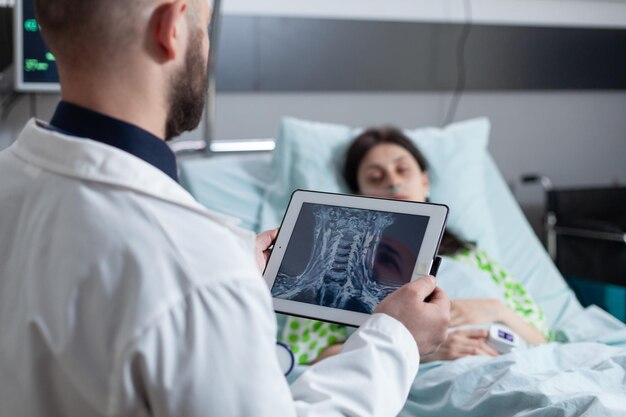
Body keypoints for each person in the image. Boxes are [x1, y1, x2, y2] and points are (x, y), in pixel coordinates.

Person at [0, 1, 451, 416]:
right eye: (206, 28)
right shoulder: (197, 266)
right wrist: (398, 340)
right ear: (172, 27)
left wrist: (232, 264)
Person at [282, 127, 550, 365]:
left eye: (403, 170)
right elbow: (312, 358)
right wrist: (419, 351)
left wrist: (495, 309)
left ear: (424, 182)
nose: (393, 182)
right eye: (376, 177)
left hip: (519, 364)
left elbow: (542, 342)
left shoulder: (471, 256)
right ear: (360, 197)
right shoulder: (331, 268)